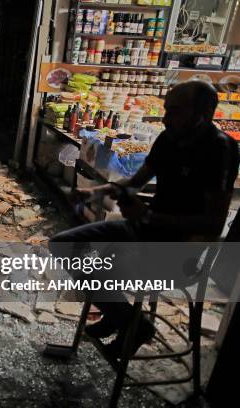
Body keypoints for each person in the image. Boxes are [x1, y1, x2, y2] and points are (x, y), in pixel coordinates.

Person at [49, 81, 239, 357]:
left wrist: (149, 215)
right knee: (62, 245)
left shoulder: (220, 150)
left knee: (101, 269)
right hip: (144, 230)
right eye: (166, 109)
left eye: (175, 111)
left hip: (181, 251)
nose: (165, 118)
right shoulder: (169, 138)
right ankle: (124, 319)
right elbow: (136, 182)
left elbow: (212, 225)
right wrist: (95, 192)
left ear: (204, 113)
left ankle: (130, 323)